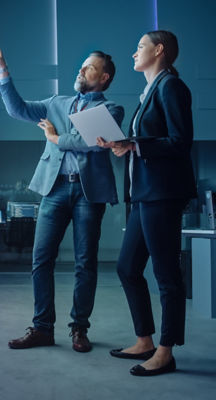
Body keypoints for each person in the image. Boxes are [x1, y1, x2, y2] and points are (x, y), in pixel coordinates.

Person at [0, 40, 124, 352]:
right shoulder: (56, 103)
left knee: (85, 263)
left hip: (89, 193)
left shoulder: (111, 109)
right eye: (82, 64)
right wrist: (2, 70)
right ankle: (43, 328)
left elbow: (86, 141)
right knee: (40, 259)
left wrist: (54, 137)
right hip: (54, 187)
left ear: (104, 78)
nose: (81, 69)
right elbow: (17, 109)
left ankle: (79, 329)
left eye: (90, 67)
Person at [97, 30, 196, 376]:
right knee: (127, 268)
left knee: (167, 275)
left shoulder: (171, 87)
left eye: (139, 47)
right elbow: (150, 141)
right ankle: (145, 340)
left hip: (162, 195)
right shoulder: (151, 91)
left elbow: (181, 142)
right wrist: (126, 145)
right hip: (143, 194)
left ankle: (166, 352)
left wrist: (137, 144)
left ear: (159, 50)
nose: (133, 53)